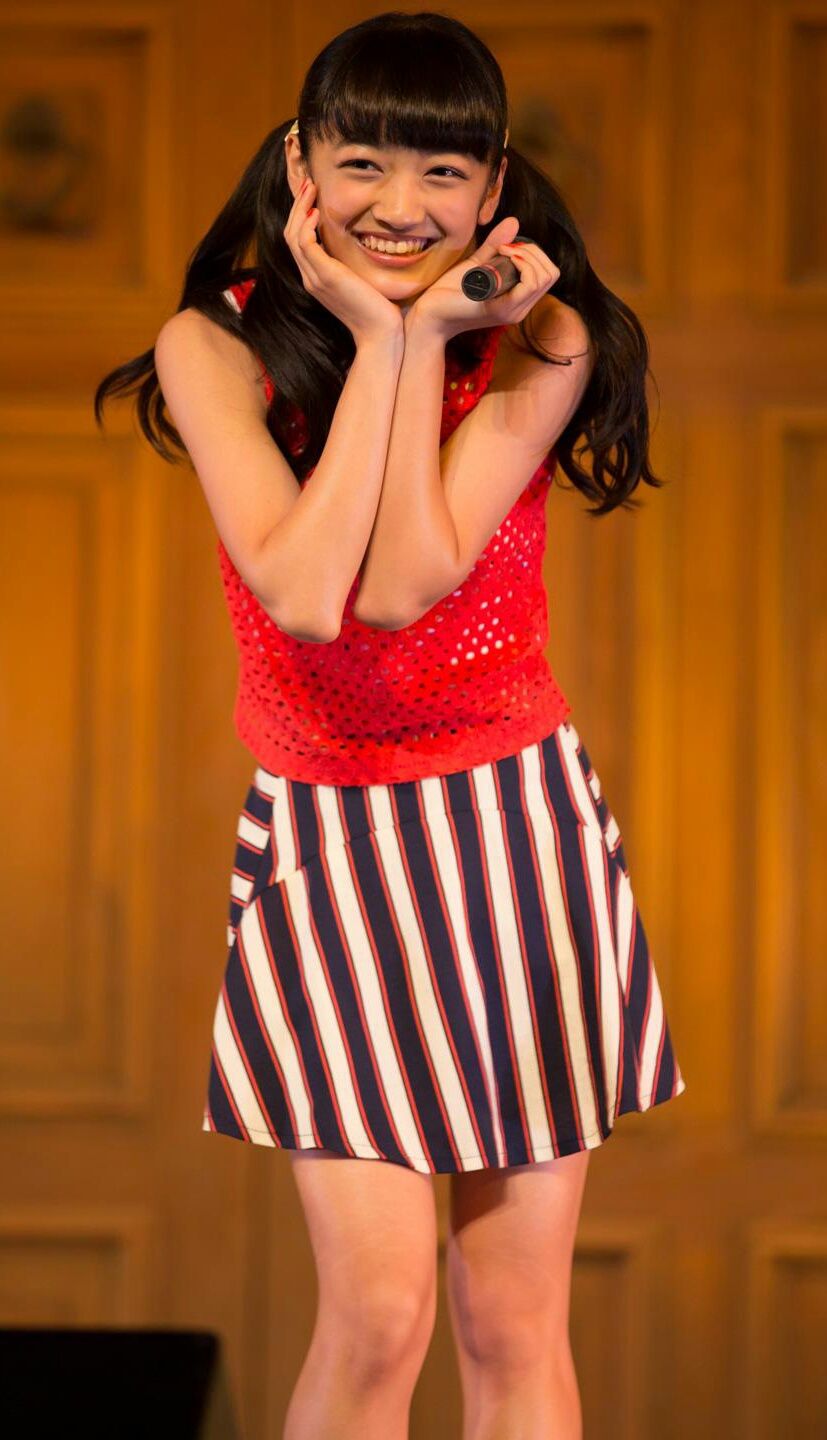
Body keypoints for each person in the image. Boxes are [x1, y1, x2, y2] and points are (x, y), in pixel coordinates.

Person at [95, 11, 687, 1438]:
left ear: (493, 189)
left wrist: (420, 338)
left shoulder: (544, 338)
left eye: (443, 173)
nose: (401, 206)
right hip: (327, 837)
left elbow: (410, 578)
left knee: (509, 1323)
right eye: (363, 163)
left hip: (512, 826)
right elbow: (309, 596)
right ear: (302, 167)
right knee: (377, 1318)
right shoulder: (211, 343)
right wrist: (380, 335)